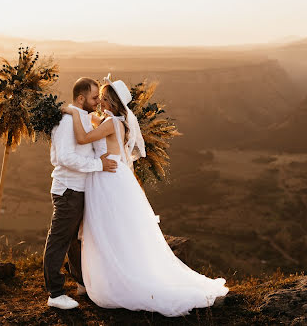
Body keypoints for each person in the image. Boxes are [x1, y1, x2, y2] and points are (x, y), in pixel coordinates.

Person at [61, 74, 229, 317]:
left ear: (114, 103)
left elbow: (83, 137)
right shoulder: (114, 120)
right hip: (113, 178)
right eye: (100, 98)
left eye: (105, 99)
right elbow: (94, 123)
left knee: (107, 231)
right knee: (112, 231)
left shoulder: (113, 123)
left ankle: (116, 279)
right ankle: (108, 275)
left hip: (107, 181)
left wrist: (74, 113)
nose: (101, 103)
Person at [43, 77, 118, 310]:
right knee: (60, 239)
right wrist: (99, 165)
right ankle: (55, 293)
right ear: (81, 98)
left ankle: (81, 282)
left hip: (80, 189)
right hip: (68, 190)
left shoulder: (83, 117)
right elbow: (63, 157)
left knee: (76, 240)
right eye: (95, 97)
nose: (98, 102)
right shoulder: (67, 122)